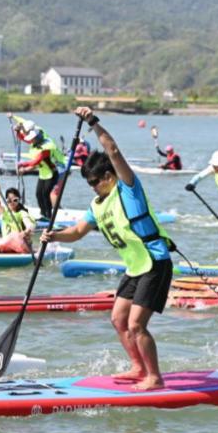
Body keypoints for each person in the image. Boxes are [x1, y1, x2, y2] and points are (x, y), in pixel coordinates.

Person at [41, 107, 174, 391]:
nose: (91, 187)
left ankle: (155, 377)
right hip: (135, 267)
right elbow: (77, 232)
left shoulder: (128, 188)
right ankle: (138, 367)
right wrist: (53, 236)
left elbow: (112, 150)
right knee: (118, 319)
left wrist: (92, 122)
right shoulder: (96, 205)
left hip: (155, 261)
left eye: (94, 182)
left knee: (136, 324)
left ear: (109, 176)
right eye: (88, 183)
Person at [9, 114, 64, 220]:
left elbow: (37, 161)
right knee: (38, 194)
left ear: (37, 137)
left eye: (32, 139)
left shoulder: (47, 146)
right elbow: (24, 138)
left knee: (45, 194)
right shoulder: (35, 141)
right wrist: (17, 132)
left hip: (53, 173)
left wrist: (22, 164)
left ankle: (49, 217)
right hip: (43, 173)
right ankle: (43, 214)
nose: (31, 141)